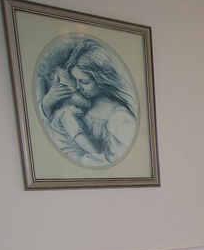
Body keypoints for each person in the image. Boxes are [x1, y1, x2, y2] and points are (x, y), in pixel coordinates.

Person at [38, 39, 138, 167]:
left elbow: (116, 164)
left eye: (85, 82)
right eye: (75, 80)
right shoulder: (80, 106)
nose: (78, 87)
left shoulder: (119, 117)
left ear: (101, 81)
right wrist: (46, 104)